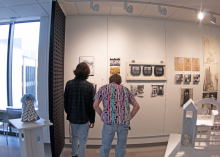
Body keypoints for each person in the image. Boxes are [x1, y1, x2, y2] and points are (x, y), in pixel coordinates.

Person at [93, 74, 140, 157]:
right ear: (120, 81)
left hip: (109, 122)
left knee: (105, 147)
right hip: (123, 123)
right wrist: (129, 117)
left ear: (110, 80)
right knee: (121, 148)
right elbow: (137, 106)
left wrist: (103, 116)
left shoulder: (103, 88)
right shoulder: (126, 90)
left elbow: (95, 105)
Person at [64, 62, 95, 157]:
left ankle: (74, 154)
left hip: (73, 117)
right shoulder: (89, 86)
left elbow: (65, 101)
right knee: (83, 139)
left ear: (76, 71)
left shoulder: (69, 84)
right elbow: (92, 105)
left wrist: (69, 113)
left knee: (74, 137)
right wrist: (92, 119)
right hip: (84, 118)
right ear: (87, 72)